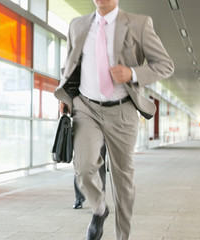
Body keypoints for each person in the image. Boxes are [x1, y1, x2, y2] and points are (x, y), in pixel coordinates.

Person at [54, 0, 174, 239]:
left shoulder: (140, 24)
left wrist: (133, 73)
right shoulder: (77, 25)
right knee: (84, 168)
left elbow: (165, 65)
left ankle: (123, 236)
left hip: (122, 110)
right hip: (86, 107)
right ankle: (99, 210)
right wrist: (66, 97)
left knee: (123, 181)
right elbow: (70, 64)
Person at [73, 144, 107, 209]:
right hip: (82, 136)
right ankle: (79, 197)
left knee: (100, 166)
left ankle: (100, 200)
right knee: (81, 165)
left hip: (103, 136)